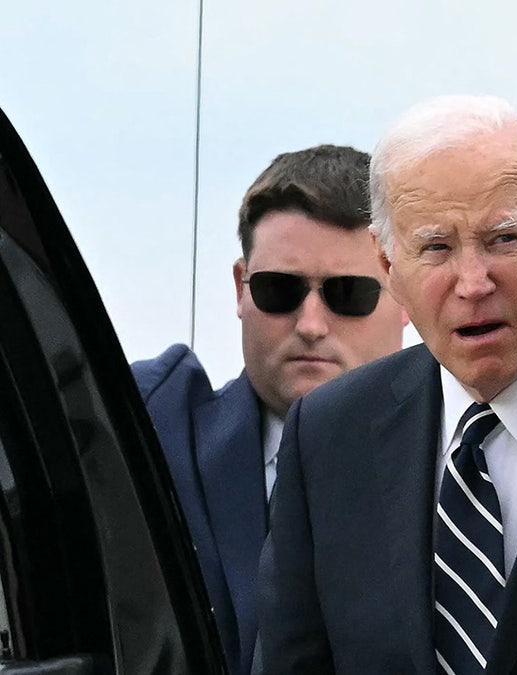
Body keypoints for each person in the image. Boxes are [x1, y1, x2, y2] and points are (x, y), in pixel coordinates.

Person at [256, 95, 517, 674]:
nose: (473, 283)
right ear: (388, 267)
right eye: (436, 248)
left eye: (503, 239)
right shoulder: (328, 434)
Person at [132, 144, 409, 675]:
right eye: (279, 289)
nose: (310, 323)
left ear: (406, 294)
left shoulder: (462, 467)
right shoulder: (151, 430)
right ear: (241, 287)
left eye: (347, 294)